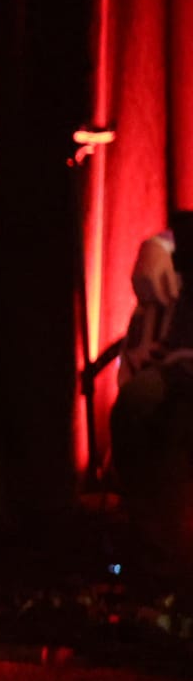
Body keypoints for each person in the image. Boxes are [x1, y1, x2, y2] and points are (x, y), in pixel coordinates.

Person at [111, 220, 191, 574]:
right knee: (138, 404)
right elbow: (172, 241)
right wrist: (158, 247)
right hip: (179, 366)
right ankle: (160, 552)